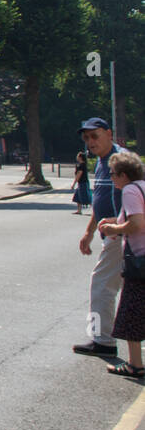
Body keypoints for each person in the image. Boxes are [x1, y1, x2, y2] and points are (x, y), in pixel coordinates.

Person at [74, 117, 125, 356]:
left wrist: (118, 224)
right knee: (124, 286)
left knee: (102, 285)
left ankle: (103, 340)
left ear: (109, 133)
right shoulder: (102, 162)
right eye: (86, 138)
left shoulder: (121, 160)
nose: (90, 142)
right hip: (113, 235)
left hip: (121, 235)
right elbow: (100, 201)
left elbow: (137, 197)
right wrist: (89, 231)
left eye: (95, 136)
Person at [97, 150, 145, 378]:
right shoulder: (143, 187)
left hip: (140, 262)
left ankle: (135, 365)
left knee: (130, 313)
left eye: (114, 174)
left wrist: (112, 229)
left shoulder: (129, 190)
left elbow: (136, 224)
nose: (112, 178)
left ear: (125, 175)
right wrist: (114, 220)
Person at [72, 151, 91, 215]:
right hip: (81, 183)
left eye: (78, 156)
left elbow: (79, 175)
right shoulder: (81, 165)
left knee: (86, 197)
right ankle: (79, 210)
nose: (76, 157)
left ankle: (94, 210)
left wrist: (73, 184)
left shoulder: (82, 166)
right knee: (77, 197)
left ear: (80, 157)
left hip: (83, 183)